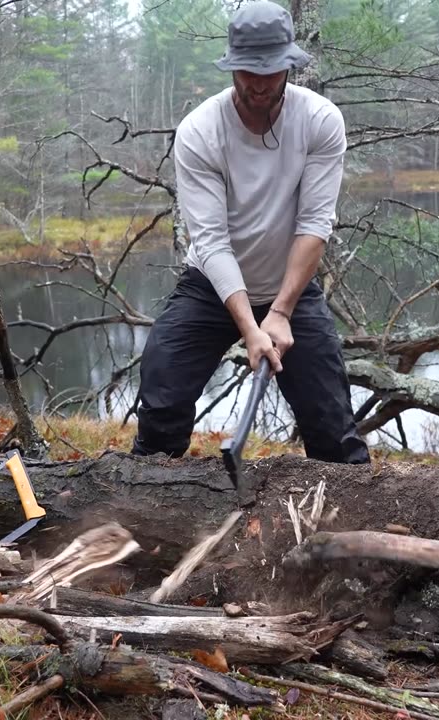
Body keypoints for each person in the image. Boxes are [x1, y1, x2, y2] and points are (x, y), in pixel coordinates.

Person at [130, 0, 370, 465]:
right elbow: (212, 241)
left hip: (289, 289)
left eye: (271, 71)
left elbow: (314, 224)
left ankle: (348, 521)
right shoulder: (200, 130)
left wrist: (279, 312)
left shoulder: (320, 120)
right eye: (248, 72)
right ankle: (150, 499)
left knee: (331, 423)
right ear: (232, 65)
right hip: (210, 287)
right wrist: (248, 327)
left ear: (289, 65)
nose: (259, 84)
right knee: (162, 398)